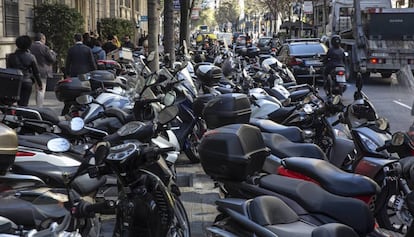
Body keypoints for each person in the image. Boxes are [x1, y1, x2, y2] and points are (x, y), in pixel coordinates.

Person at [6, 35, 43, 106]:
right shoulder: (31, 57)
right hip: (27, 81)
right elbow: (36, 72)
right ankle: (22, 115)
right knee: (24, 103)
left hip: (14, 81)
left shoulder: (11, 56)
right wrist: (39, 84)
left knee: (11, 103)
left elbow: (8, 70)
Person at [30, 32, 56, 107]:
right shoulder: (45, 48)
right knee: (41, 90)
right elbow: (51, 59)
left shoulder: (30, 47)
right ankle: (39, 106)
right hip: (42, 72)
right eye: (44, 39)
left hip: (32, 71)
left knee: (36, 90)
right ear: (42, 39)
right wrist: (53, 53)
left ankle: (37, 104)